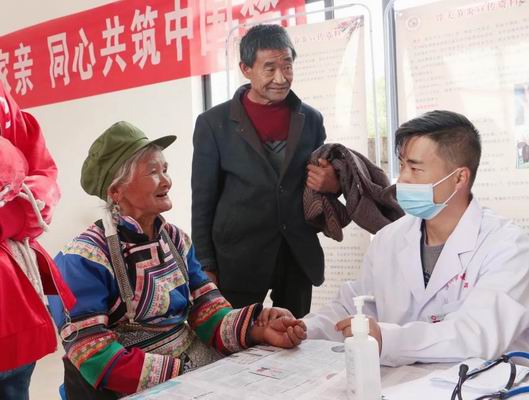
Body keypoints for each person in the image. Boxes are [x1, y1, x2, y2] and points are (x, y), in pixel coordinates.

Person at [48, 121, 307, 399]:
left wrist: (259, 328)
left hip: (190, 369)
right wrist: (186, 375)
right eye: (153, 172)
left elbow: (207, 312)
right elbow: (93, 354)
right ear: (115, 191)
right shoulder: (82, 259)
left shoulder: (175, 239)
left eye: (165, 169)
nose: (166, 181)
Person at [304, 110, 529, 366]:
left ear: (459, 178)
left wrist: (388, 339)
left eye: (415, 168)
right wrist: (303, 329)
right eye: (402, 165)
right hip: (404, 382)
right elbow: (353, 307)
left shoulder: (508, 248)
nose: (403, 178)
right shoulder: (390, 239)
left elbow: (476, 334)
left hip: (480, 384)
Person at [191, 24, 339, 318]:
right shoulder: (213, 123)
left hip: (296, 255)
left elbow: (318, 182)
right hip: (238, 259)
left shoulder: (310, 119)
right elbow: (203, 199)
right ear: (246, 69)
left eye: (287, 66)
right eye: (269, 68)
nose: (281, 78)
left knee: (294, 333)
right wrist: (205, 264)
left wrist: (333, 183)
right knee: (237, 337)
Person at [0, 83, 75, 399]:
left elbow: (43, 184)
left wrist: (17, 206)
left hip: (15, 290)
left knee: (15, 384)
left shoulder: (4, 100)